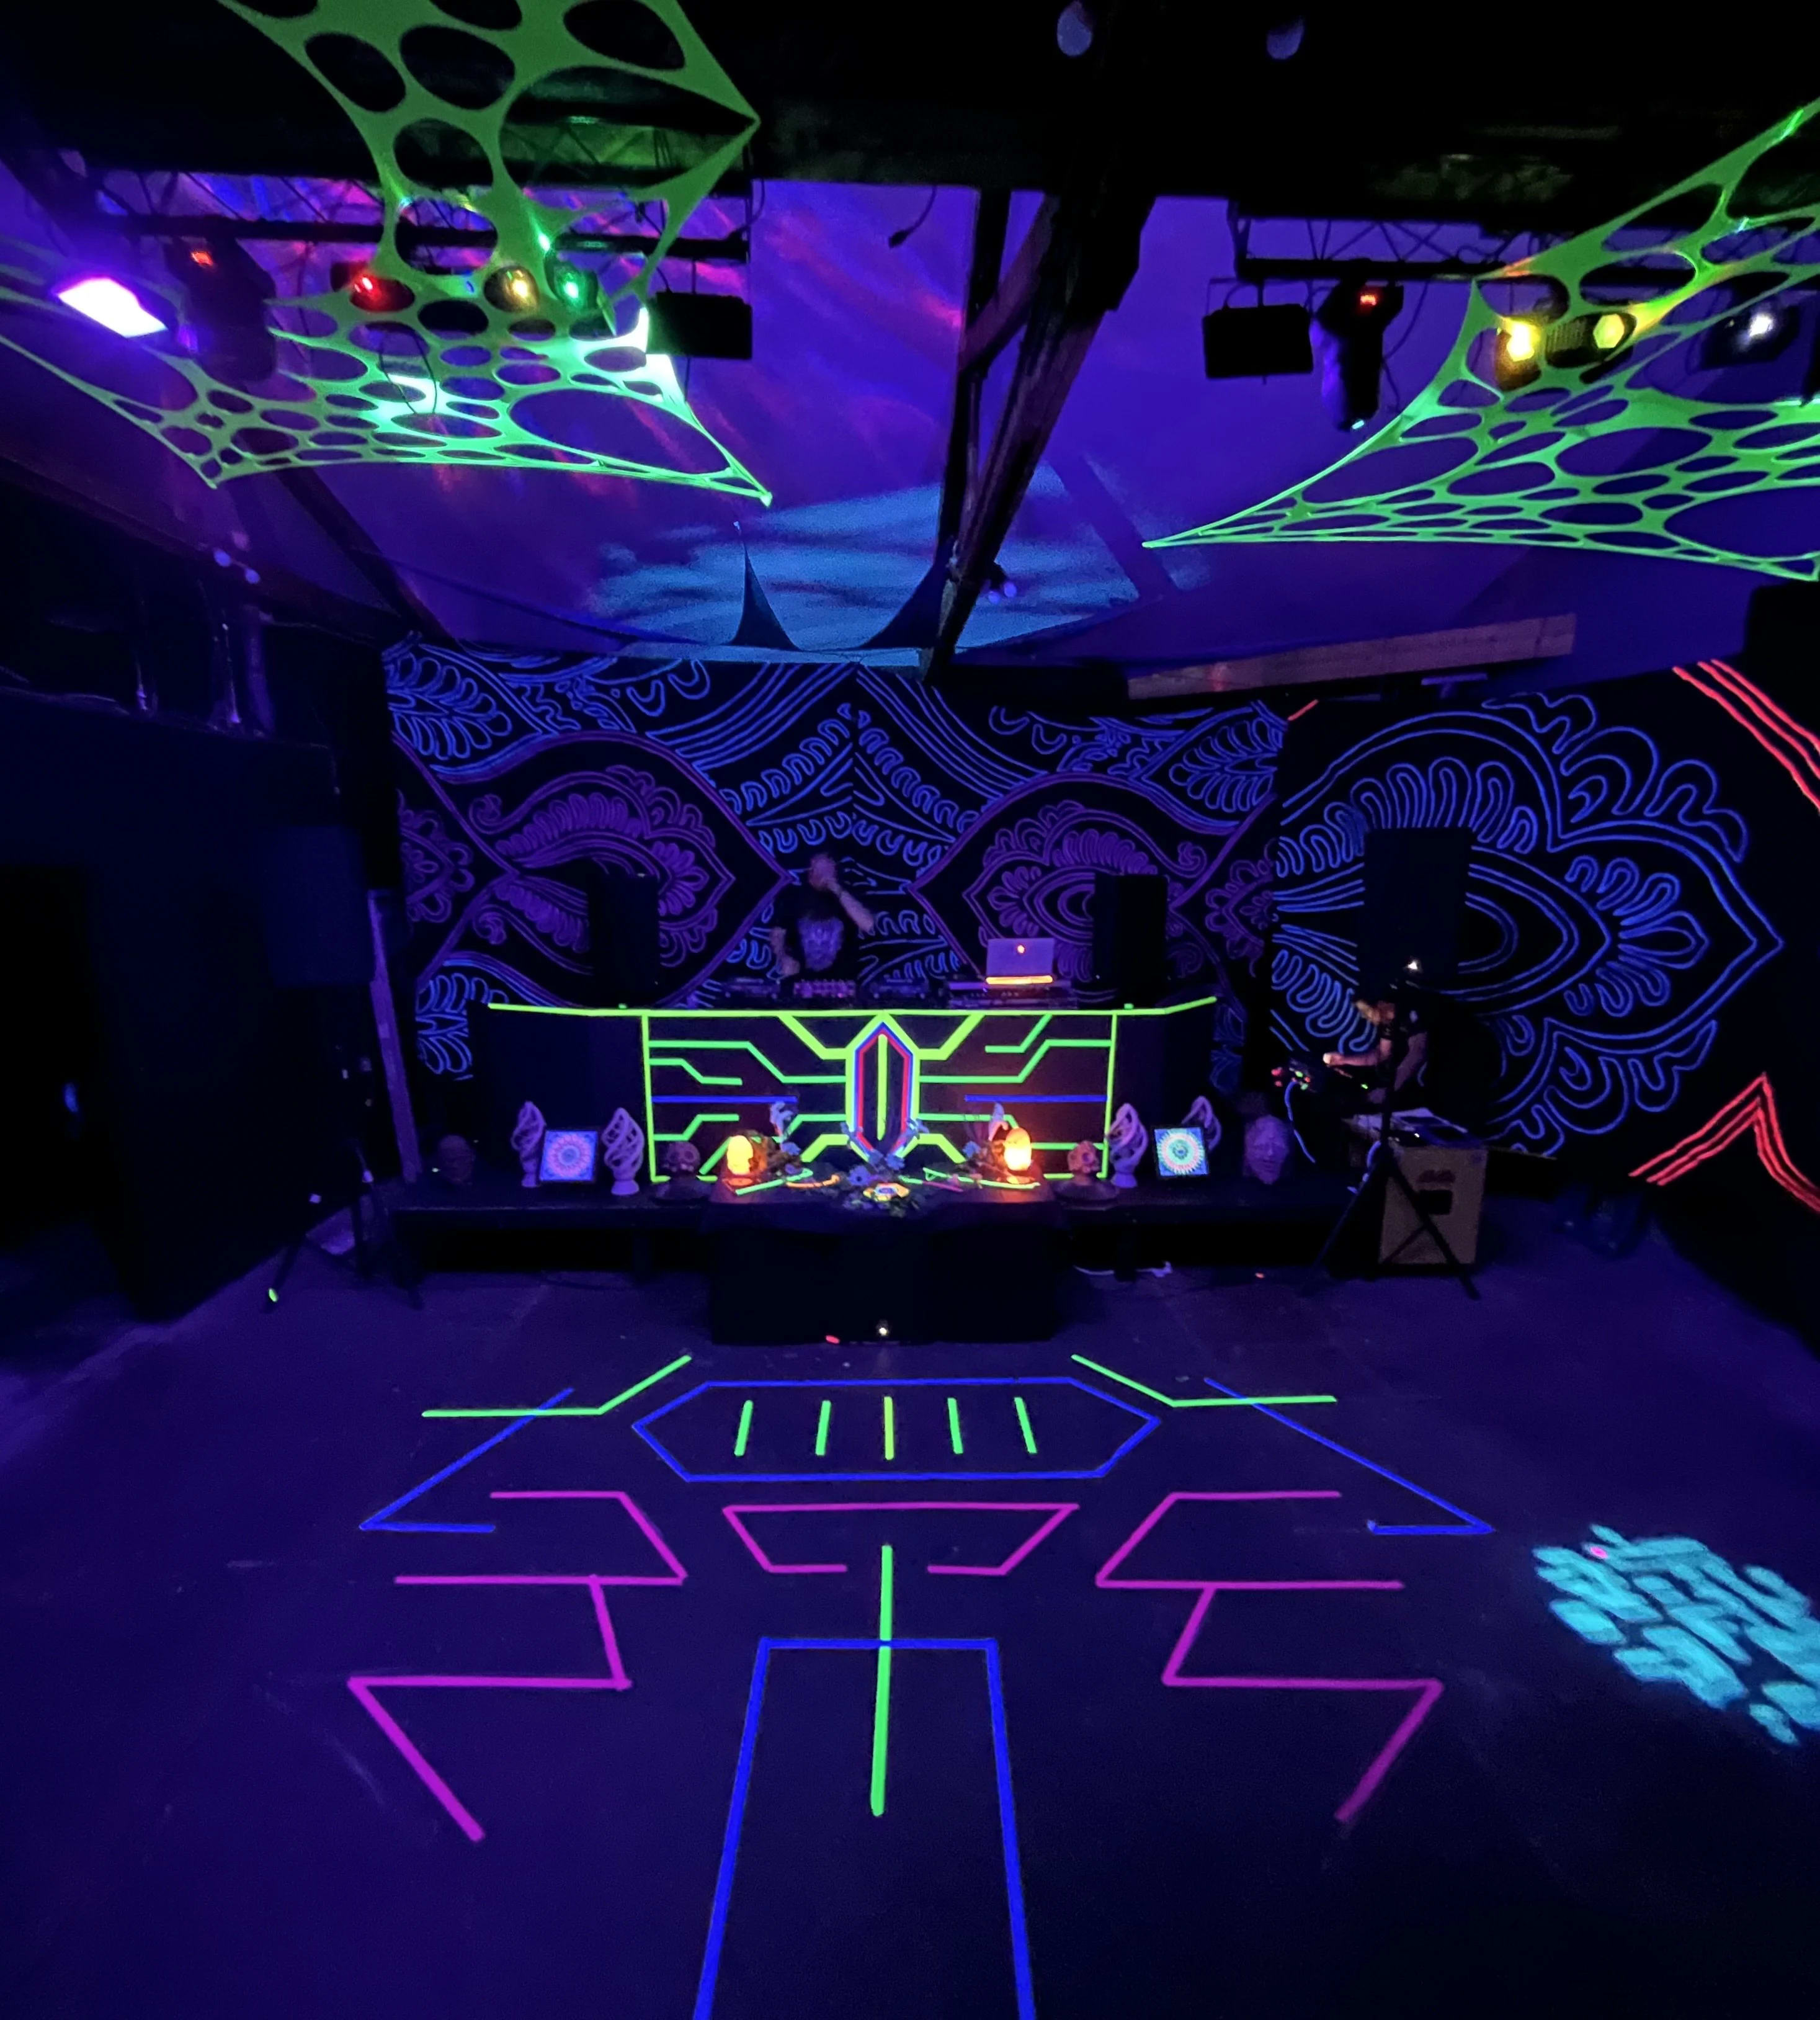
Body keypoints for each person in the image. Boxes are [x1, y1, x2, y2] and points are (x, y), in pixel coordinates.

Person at [769, 851, 874, 985]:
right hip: (801, 982)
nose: (824, 874)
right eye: (820, 869)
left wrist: (836, 888)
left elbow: (868, 925)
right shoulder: (792, 897)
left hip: (842, 983)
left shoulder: (848, 895)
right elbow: (778, 934)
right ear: (811, 871)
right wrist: (783, 956)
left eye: (828, 869)